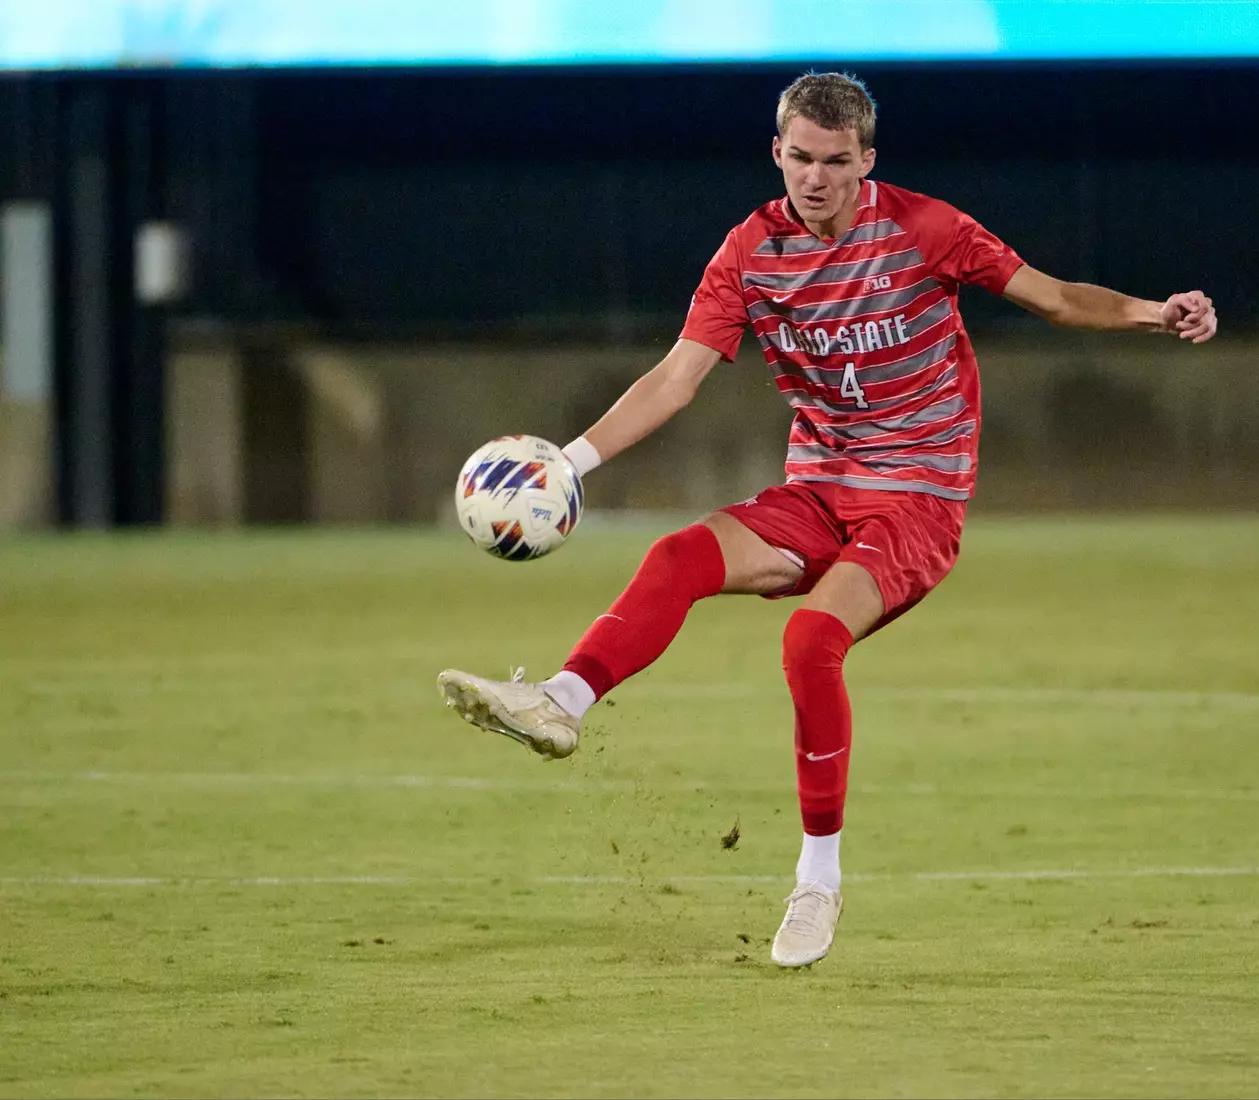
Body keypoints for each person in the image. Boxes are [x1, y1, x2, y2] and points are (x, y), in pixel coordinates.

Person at [439, 71, 1218, 968]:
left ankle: (818, 880)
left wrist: (1155, 312)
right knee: (680, 554)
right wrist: (570, 463)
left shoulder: (928, 230)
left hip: (919, 498)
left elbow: (1052, 297)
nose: (815, 179)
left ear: (867, 161)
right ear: (777, 152)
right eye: (799, 158)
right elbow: (678, 375)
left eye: (836, 162)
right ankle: (561, 703)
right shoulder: (749, 251)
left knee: (811, 642)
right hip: (818, 492)